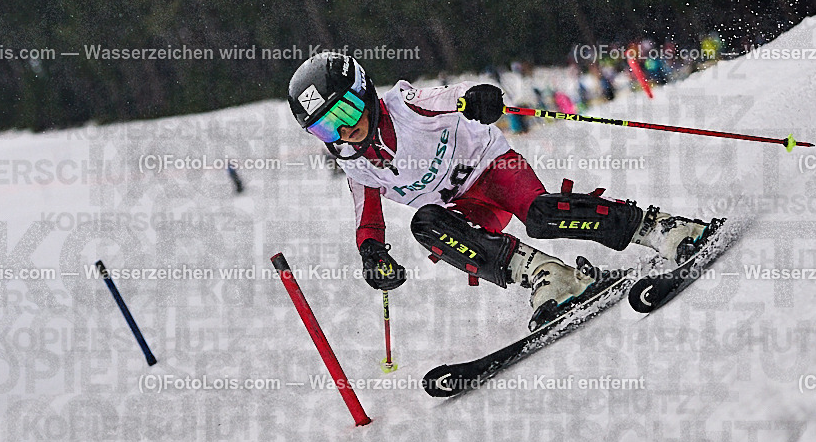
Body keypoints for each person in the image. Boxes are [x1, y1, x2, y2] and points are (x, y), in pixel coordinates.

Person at [287, 52, 717, 330]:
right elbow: (368, 221)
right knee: (426, 224)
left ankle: (659, 228)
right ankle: (551, 277)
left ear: (363, 94)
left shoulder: (404, 107)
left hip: (495, 168)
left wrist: (476, 99)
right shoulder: (358, 166)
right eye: (326, 125)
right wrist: (373, 254)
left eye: (344, 110)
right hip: (465, 206)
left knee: (541, 216)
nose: (344, 128)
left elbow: (446, 97)